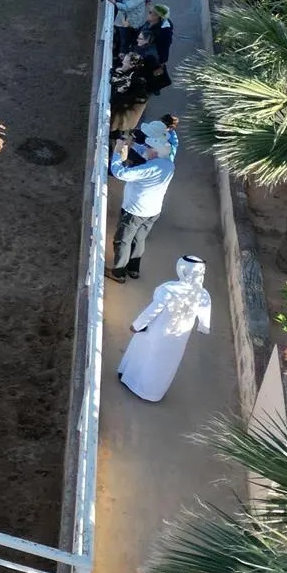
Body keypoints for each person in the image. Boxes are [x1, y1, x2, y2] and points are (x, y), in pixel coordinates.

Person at [118, 256, 212, 402]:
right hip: (178, 338)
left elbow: (152, 311)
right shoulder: (203, 295)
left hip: (155, 331)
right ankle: (152, 392)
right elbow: (205, 324)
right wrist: (202, 327)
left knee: (144, 354)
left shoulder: (169, 289)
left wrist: (137, 325)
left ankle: (132, 381)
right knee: (165, 363)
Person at [108, 115, 180, 282]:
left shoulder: (150, 168)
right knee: (139, 239)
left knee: (122, 241)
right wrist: (132, 145)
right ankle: (133, 269)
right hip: (153, 211)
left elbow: (120, 173)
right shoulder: (167, 163)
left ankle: (118, 273)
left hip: (135, 210)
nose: (145, 147)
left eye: (147, 145)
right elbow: (148, 153)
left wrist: (118, 153)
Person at [109, 51, 150, 133]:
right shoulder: (134, 75)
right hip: (125, 115)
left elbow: (115, 82)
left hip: (123, 115)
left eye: (125, 61)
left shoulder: (133, 79)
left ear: (131, 65)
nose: (122, 62)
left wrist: (117, 72)